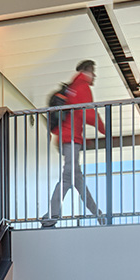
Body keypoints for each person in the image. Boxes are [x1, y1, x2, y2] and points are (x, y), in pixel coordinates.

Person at [42, 59, 107, 227]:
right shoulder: (82, 87)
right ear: (88, 71)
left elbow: (76, 115)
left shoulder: (72, 87)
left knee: (78, 181)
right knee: (67, 178)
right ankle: (52, 215)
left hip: (68, 138)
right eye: (93, 72)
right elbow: (88, 113)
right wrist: (105, 131)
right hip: (70, 139)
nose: (95, 76)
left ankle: (98, 214)